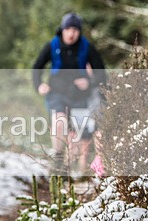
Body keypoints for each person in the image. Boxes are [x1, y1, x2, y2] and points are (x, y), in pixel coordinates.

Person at [32, 12, 106, 175]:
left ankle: (76, 173)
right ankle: (57, 158)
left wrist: (89, 82)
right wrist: (39, 85)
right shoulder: (53, 45)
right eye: (68, 29)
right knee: (59, 122)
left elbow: (101, 74)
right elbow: (36, 68)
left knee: (78, 139)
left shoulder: (86, 47)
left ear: (79, 32)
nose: (71, 33)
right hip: (56, 93)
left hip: (80, 96)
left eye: (75, 30)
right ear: (62, 30)